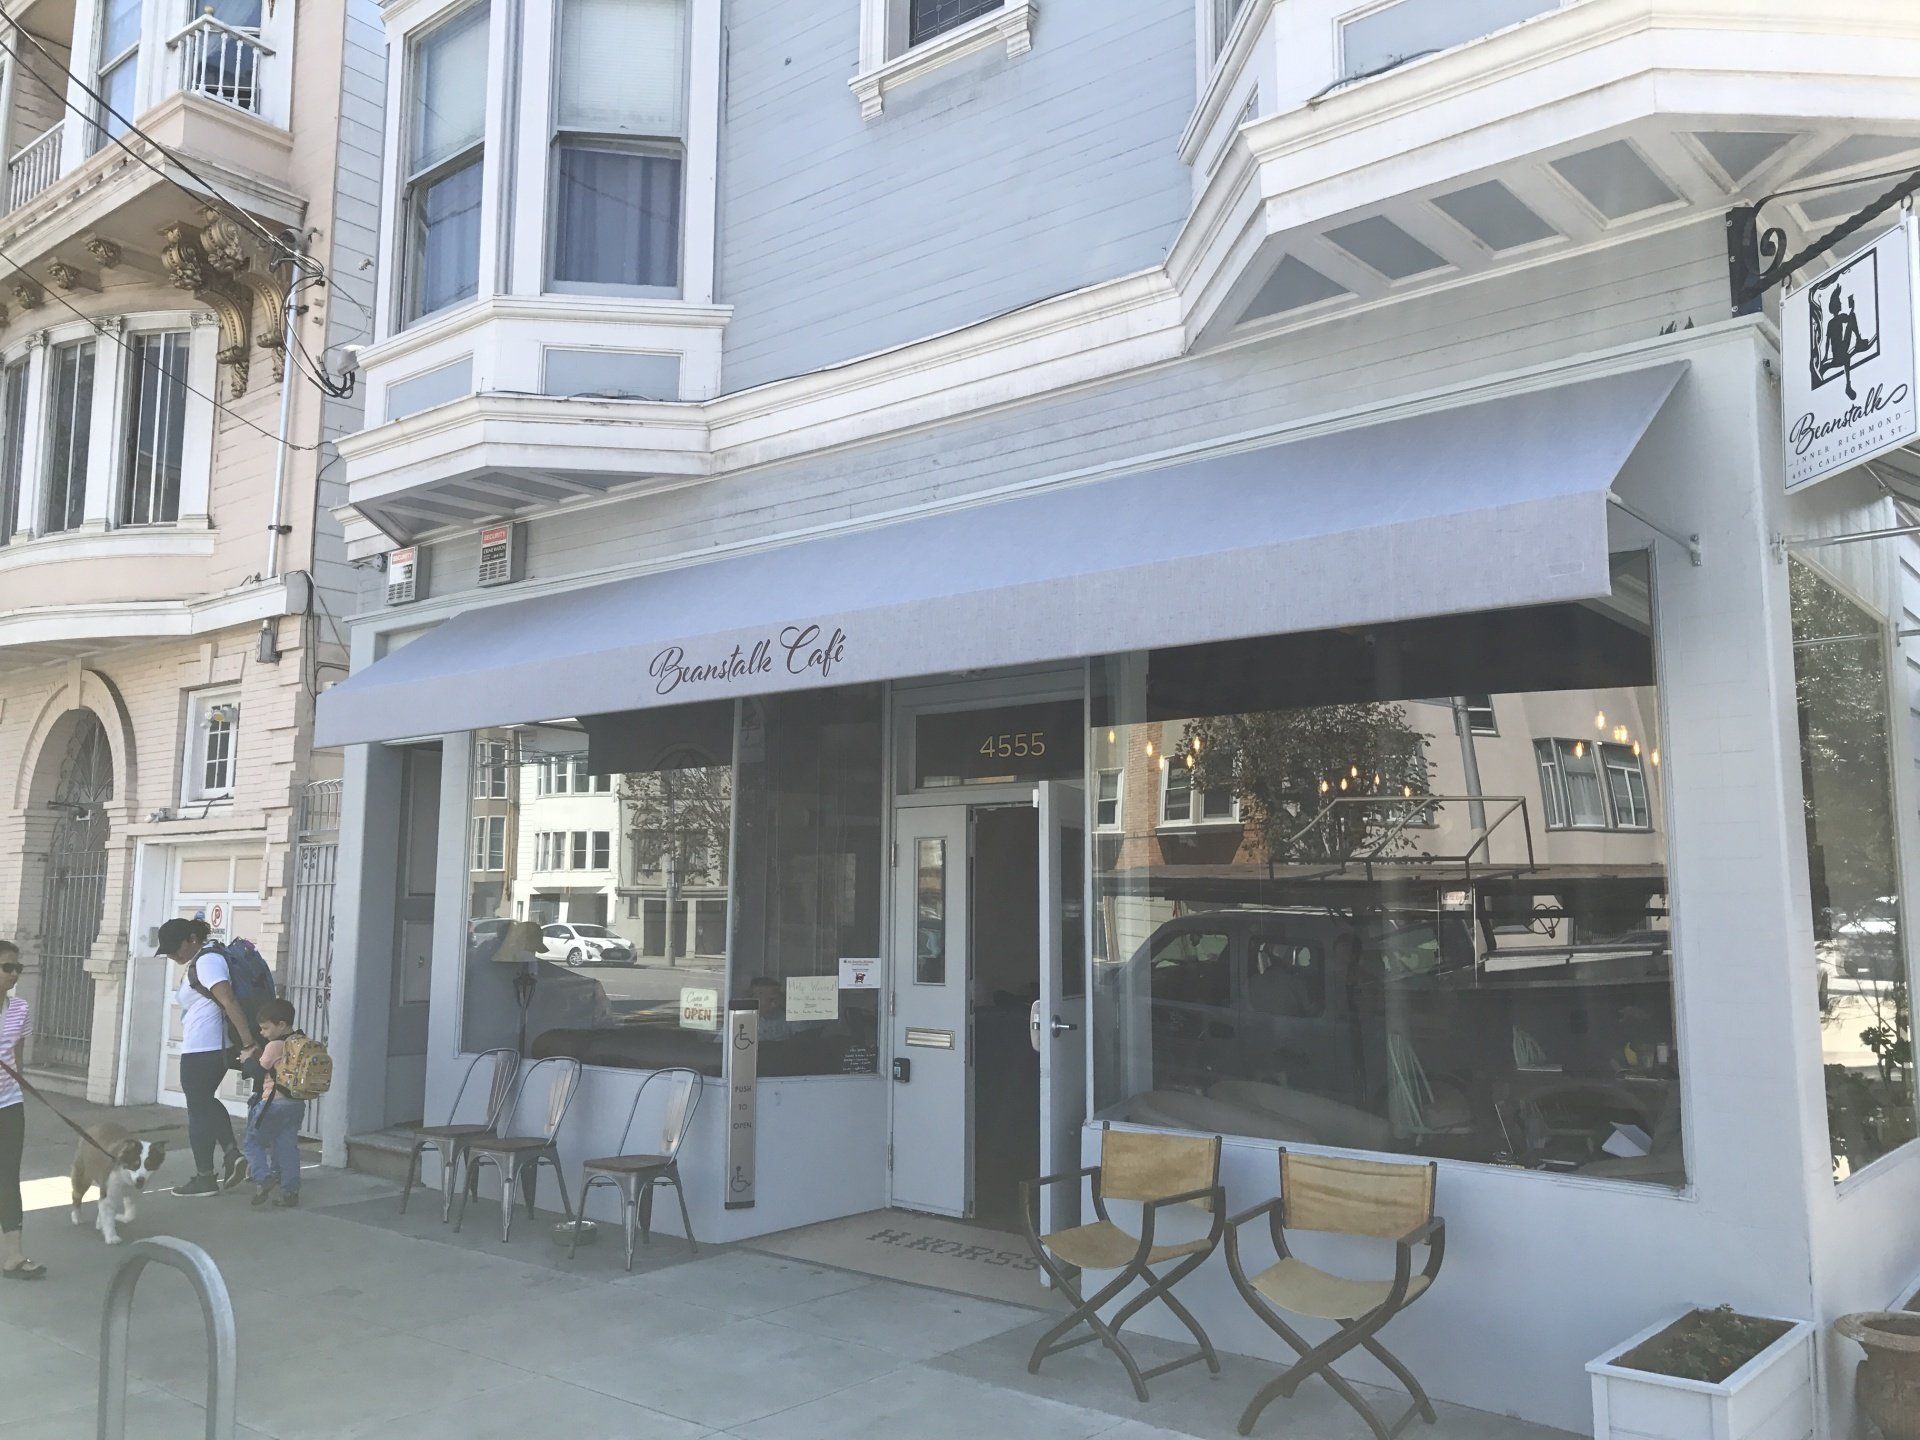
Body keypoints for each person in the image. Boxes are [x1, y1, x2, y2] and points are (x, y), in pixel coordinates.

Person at [160, 918, 257, 1196]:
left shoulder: (207, 961)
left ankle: (205, 1177)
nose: (171, 956)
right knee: (204, 1103)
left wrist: (248, 1044)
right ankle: (231, 1154)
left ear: (192, 939)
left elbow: (228, 1000)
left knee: (198, 1112)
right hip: (203, 1047)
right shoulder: (201, 960)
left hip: (206, 1049)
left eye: (174, 948)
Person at [0, 939, 45, 1280]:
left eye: (18, 968)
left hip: (9, 1105)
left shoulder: (20, 1009)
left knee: (8, 1177)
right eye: (7, 967)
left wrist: (21, 1087)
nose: (14, 974)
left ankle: (13, 1256)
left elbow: (18, 1056)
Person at [241, 998, 304, 1209]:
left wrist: (247, 1059)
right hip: (295, 1104)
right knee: (287, 1148)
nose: (262, 1033)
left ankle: (263, 1177)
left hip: (272, 1104)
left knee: (253, 1143)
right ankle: (290, 1192)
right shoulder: (301, 1041)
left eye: (266, 1028)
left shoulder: (275, 1045)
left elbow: (259, 1073)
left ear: (282, 1025)